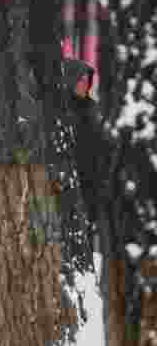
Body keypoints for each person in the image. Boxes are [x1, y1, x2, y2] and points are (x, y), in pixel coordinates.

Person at [63, 59, 103, 231]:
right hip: (73, 176)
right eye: (81, 80)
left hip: (92, 176)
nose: (85, 85)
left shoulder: (93, 108)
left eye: (88, 80)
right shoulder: (62, 110)